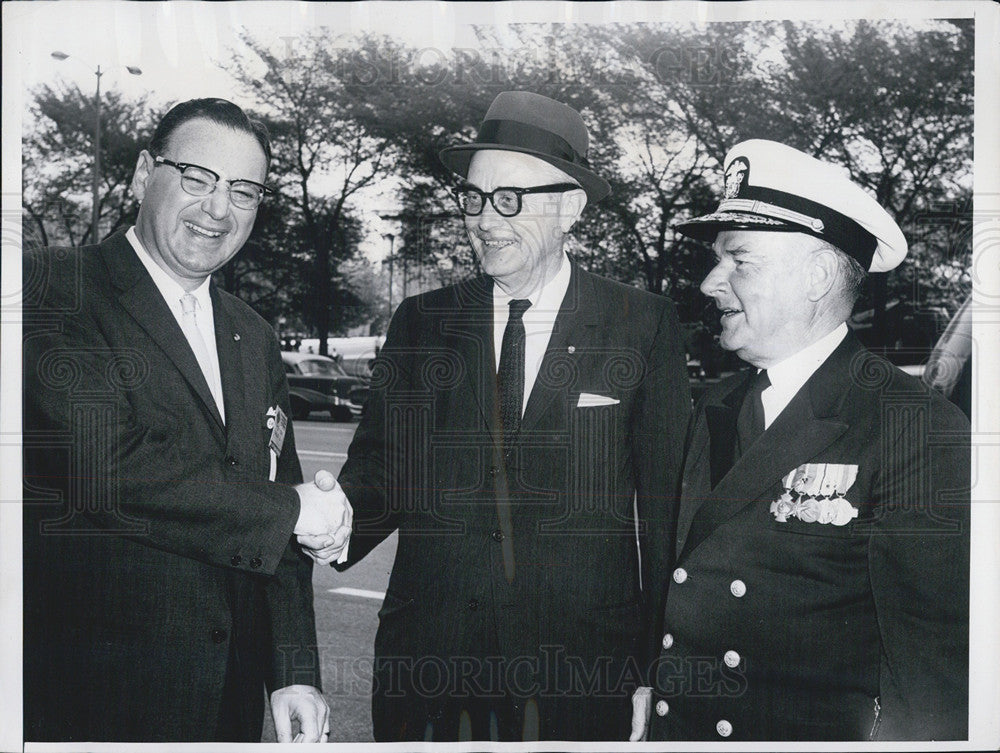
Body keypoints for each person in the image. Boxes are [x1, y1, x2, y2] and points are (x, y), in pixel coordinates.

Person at [302, 91, 691, 741]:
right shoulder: (422, 322)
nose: (485, 218)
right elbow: (382, 468)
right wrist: (335, 520)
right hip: (426, 671)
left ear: (570, 205)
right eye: (476, 198)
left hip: (578, 678)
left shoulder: (642, 327)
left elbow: (665, 514)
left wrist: (652, 670)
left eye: (509, 198)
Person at [22, 98, 350, 742]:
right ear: (147, 173)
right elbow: (107, 466)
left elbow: (274, 514)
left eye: (244, 192)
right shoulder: (52, 288)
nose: (218, 209)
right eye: (197, 179)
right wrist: (293, 511)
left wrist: (293, 671)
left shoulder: (254, 336)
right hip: (86, 700)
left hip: (225, 706)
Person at [630, 140, 970, 742]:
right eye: (717, 261)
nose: (712, 282)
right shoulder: (716, 404)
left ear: (815, 276)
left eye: (740, 260)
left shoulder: (914, 427)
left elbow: (933, 673)